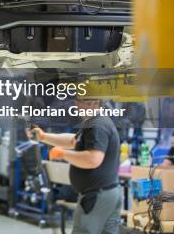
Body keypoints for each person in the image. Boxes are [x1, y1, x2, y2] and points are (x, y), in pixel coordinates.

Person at [31, 98, 121, 234]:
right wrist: (44, 137)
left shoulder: (97, 125)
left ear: (94, 103)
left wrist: (64, 154)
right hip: (106, 194)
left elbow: (93, 159)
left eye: (80, 102)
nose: (76, 105)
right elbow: (74, 140)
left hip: (97, 197)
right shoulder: (92, 122)